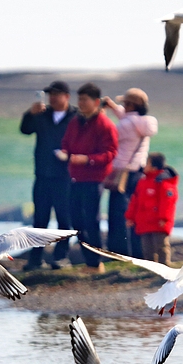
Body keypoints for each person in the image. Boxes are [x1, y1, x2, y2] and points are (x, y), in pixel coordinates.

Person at [60, 82, 118, 272]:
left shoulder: (105, 125)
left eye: (85, 99)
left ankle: (96, 263)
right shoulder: (75, 122)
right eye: (80, 99)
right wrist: (64, 152)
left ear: (96, 102)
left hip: (94, 179)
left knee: (91, 221)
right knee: (76, 220)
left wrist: (87, 160)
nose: (81, 103)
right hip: (75, 178)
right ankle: (89, 261)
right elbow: (66, 142)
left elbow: (110, 153)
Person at [19, 80, 76, 270]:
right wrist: (30, 114)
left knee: (64, 218)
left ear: (66, 96)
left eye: (56, 94)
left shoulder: (75, 116)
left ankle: (61, 257)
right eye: (50, 94)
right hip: (43, 174)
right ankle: (35, 259)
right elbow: (25, 130)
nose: (52, 98)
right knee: (40, 219)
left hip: (65, 175)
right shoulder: (42, 114)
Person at [101, 88, 157, 257]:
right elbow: (130, 119)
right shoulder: (146, 123)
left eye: (125, 103)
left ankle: (118, 251)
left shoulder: (124, 125)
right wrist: (114, 107)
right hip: (138, 172)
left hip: (121, 174)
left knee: (118, 215)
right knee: (135, 213)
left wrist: (102, 113)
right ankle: (137, 251)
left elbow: (110, 137)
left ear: (130, 105)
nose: (122, 106)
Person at [125, 152, 178, 265]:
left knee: (161, 246)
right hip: (144, 222)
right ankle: (151, 267)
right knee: (147, 248)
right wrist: (130, 217)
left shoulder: (164, 182)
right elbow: (135, 201)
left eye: (147, 163)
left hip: (159, 223)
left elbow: (167, 202)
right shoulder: (142, 182)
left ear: (154, 167)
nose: (144, 166)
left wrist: (163, 218)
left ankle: (165, 267)